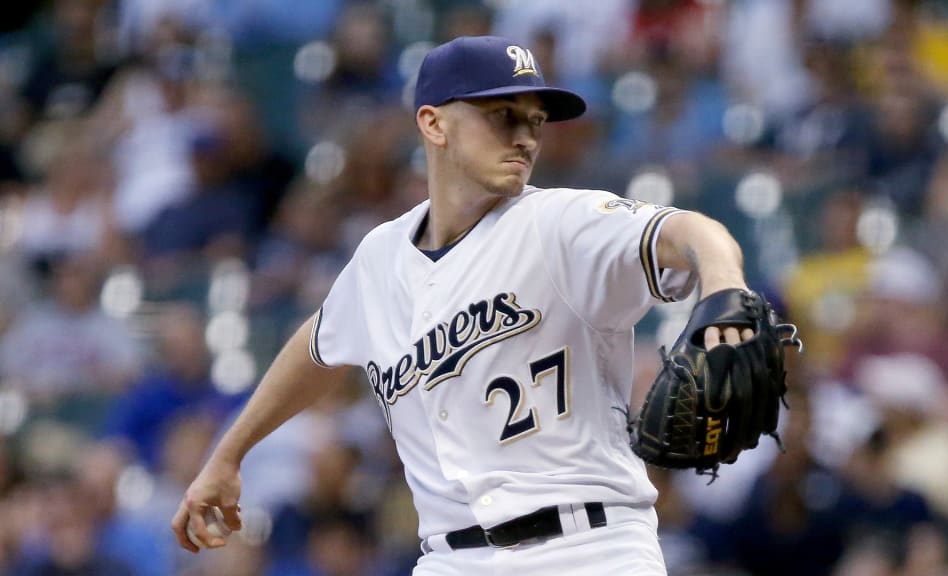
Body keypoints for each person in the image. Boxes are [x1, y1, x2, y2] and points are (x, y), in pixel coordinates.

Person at [172, 35, 757, 575]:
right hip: (450, 559)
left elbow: (692, 232)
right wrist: (228, 455)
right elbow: (318, 347)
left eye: (534, 120)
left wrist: (726, 287)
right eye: (502, 117)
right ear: (433, 123)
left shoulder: (560, 223)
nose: (525, 136)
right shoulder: (380, 258)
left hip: (590, 547)